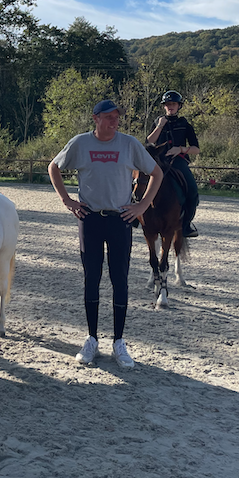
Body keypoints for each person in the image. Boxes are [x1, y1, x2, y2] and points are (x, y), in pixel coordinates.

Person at [48, 99, 163, 369]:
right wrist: (67, 201)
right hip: (90, 219)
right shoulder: (80, 143)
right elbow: (54, 167)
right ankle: (91, 339)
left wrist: (143, 205)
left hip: (120, 220)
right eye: (109, 117)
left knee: (119, 279)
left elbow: (156, 173)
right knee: (92, 277)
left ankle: (119, 342)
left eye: (117, 117)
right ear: (95, 118)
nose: (115, 121)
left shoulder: (130, 144)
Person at [146, 90, 200, 238]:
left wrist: (181, 149)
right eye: (168, 104)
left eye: (173, 104)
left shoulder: (185, 124)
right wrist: (159, 126)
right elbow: (149, 141)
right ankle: (136, 217)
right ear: (164, 106)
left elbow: (196, 149)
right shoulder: (158, 121)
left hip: (178, 161)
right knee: (137, 182)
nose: (170, 107)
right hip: (158, 161)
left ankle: (186, 224)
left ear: (178, 106)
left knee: (193, 192)